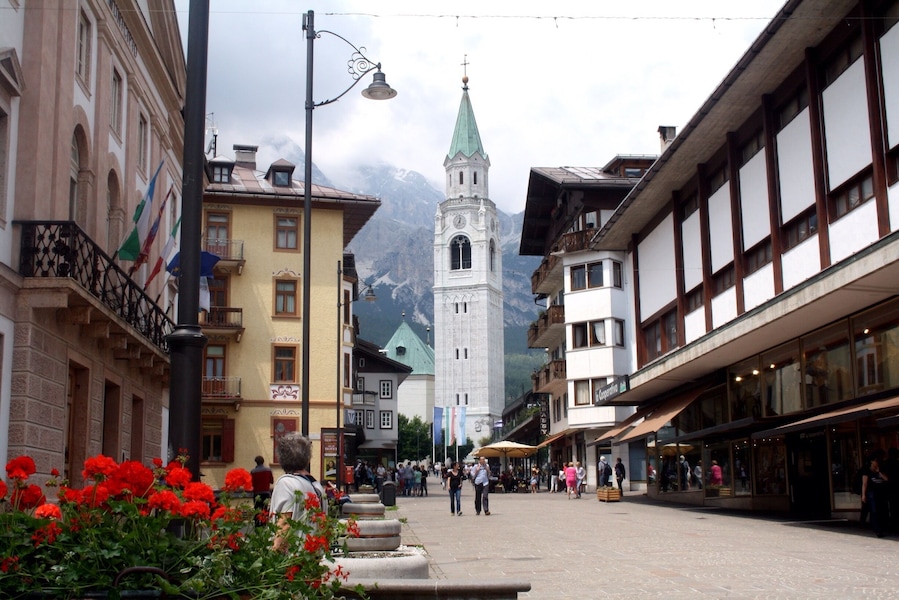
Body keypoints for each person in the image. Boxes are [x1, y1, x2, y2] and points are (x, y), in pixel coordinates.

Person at [269, 432, 327, 552]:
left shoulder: (286, 483)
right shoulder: (317, 486)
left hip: (292, 559)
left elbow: (285, 523)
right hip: (313, 556)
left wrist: (274, 554)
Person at [862, 452, 890, 538]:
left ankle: (882, 527)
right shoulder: (867, 471)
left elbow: (886, 479)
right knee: (874, 511)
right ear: (871, 461)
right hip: (872, 493)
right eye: (875, 461)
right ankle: (877, 529)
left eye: (878, 461)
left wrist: (879, 472)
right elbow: (864, 483)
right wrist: (863, 495)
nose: (877, 462)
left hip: (881, 493)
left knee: (883, 510)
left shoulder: (881, 469)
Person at [250, 455, 273, 526]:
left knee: (257, 508)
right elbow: (271, 481)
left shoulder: (253, 472)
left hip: (257, 493)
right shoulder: (268, 470)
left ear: (256, 462)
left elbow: (251, 483)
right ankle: (264, 523)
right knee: (264, 508)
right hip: (266, 493)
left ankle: (257, 524)